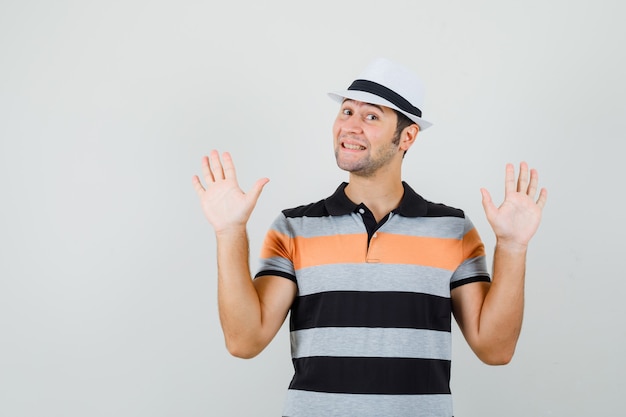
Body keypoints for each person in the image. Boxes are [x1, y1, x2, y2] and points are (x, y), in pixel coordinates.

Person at [192, 58, 547, 417]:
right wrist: (230, 232)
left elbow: (496, 350)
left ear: (407, 136)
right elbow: (243, 341)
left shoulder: (451, 228)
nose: (350, 126)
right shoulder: (294, 226)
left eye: (371, 116)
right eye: (346, 111)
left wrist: (513, 246)